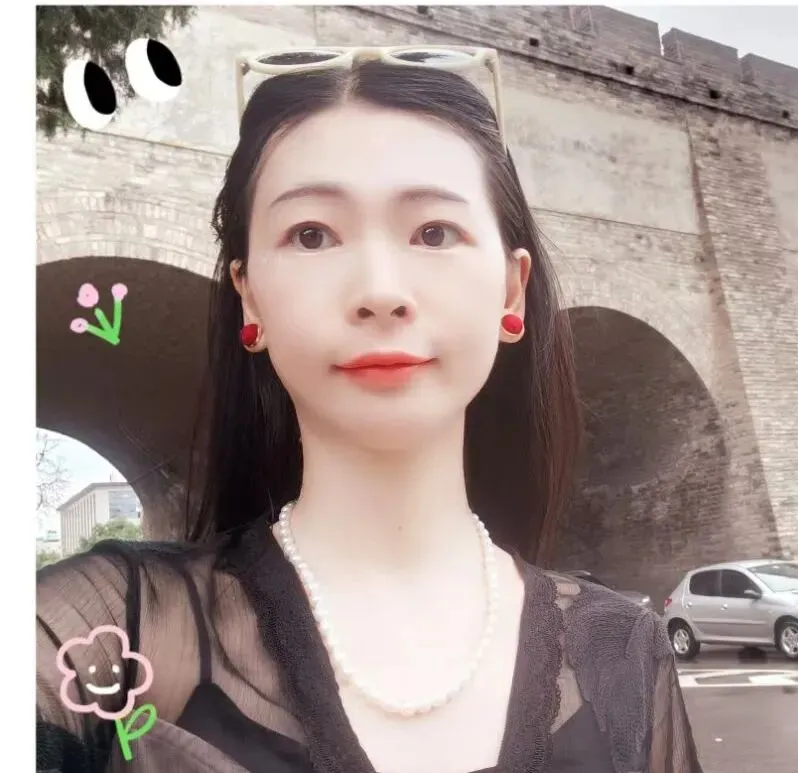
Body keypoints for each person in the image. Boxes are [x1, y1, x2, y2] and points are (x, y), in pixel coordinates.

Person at [36, 47, 702, 773]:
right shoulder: (103, 636)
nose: (380, 290)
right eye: (312, 235)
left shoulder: (622, 655)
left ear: (511, 292)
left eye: (433, 232)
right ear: (249, 297)